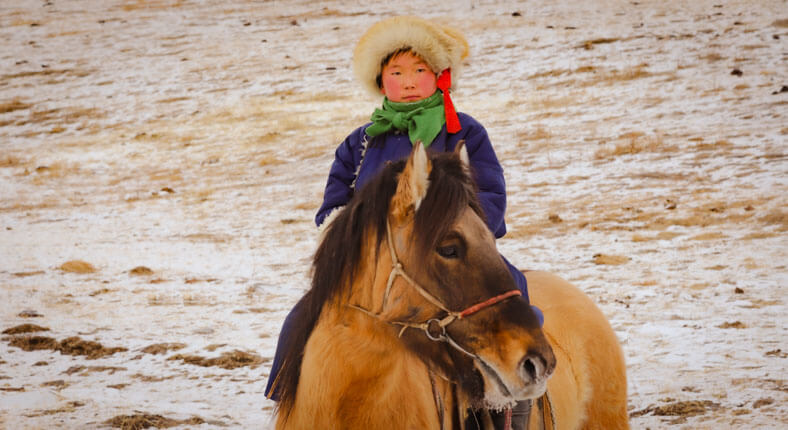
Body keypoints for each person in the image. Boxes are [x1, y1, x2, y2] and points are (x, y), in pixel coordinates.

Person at [265, 15, 541, 429]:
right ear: (380, 81)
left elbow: (490, 196)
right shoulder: (359, 143)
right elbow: (334, 206)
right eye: (397, 73)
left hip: (452, 258)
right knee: (303, 315)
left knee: (512, 289)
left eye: (419, 71)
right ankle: (290, 397)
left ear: (439, 77)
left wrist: (456, 229)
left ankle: (508, 401)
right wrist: (348, 236)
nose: (408, 81)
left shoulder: (463, 131)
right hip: (379, 267)